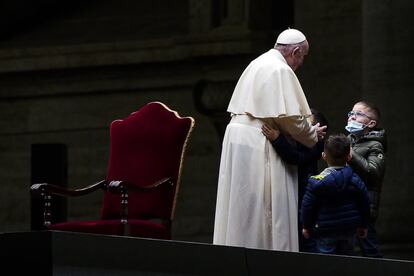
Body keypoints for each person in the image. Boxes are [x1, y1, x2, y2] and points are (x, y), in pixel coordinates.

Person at [213, 28, 326, 252]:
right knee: (265, 208)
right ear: (295, 51)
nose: (300, 64)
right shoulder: (280, 70)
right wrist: (312, 134)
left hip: (237, 137)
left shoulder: (257, 63)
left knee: (240, 206)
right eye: (302, 57)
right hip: (259, 139)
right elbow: (291, 120)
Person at [261, 108, 328, 253]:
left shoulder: (315, 145)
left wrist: (277, 139)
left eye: (306, 125)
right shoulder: (302, 142)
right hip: (296, 197)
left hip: (303, 200)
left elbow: (296, 157)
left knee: (307, 242)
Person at [301, 133, 371, 256]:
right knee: (347, 261)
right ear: (349, 156)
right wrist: (363, 225)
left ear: (323, 156)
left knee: (326, 262)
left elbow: (307, 206)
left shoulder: (316, 183)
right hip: (349, 228)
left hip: (325, 229)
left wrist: (306, 226)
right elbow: (365, 204)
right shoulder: (356, 180)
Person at [345, 101, 386, 258]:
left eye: (359, 114)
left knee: (369, 248)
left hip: (364, 205)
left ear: (371, 123)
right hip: (347, 203)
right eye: (351, 113)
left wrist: (350, 155)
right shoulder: (349, 140)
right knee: (346, 249)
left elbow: (373, 173)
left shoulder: (376, 145)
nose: (352, 117)